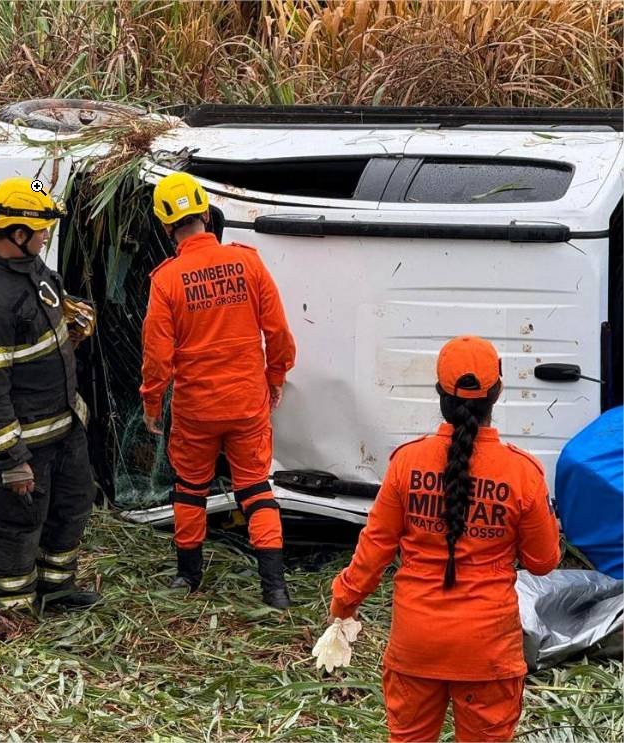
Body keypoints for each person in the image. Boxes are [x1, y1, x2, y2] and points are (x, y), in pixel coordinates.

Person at [328, 335, 561, 742]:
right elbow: (543, 562)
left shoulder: (407, 463)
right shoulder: (523, 473)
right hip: (488, 651)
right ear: (498, 393)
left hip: (416, 645)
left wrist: (343, 603)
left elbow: (374, 547)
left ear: (439, 394)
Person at [140, 172, 297, 608]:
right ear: (207, 215)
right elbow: (278, 331)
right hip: (248, 402)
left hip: (196, 409)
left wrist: (152, 402)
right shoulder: (248, 262)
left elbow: (157, 356)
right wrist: (276, 376)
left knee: (190, 488)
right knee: (255, 489)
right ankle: (275, 590)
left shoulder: (166, 280)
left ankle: (188, 579)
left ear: (166, 226)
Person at [0, 177, 100, 612]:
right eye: (41, 230)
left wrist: (72, 315)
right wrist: (13, 461)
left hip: (63, 424)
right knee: (19, 524)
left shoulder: (28, 265)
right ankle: (12, 610)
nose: (47, 235)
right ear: (16, 234)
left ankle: (55, 591)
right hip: (25, 441)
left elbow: (48, 307)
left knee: (71, 506)